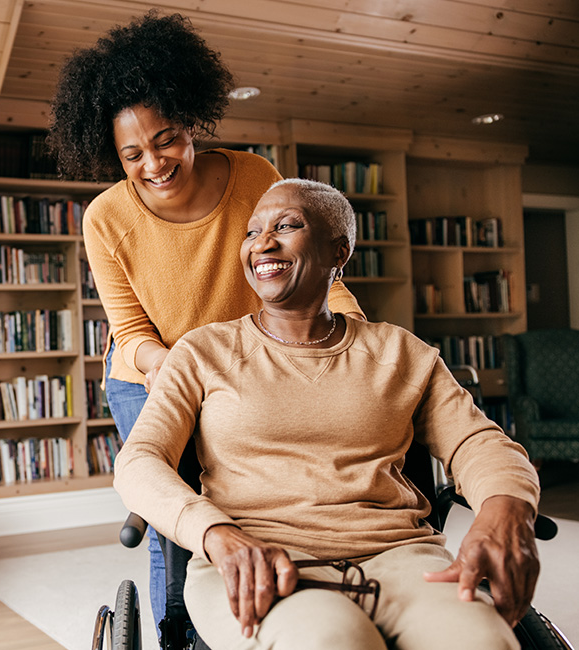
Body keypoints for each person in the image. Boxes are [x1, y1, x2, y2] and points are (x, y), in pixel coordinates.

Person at [113, 178, 541, 650]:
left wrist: (505, 511)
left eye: (286, 225)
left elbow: (480, 443)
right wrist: (216, 534)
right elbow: (140, 461)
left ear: (338, 252)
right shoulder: (203, 352)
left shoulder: (401, 353)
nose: (262, 243)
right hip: (256, 559)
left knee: (482, 640)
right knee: (334, 640)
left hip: (400, 557)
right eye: (252, 232)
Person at [47, 12, 365, 636]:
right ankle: (179, 632)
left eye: (165, 139)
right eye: (131, 153)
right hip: (149, 375)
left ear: (190, 122)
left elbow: (302, 270)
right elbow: (132, 334)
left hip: (249, 363)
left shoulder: (254, 177)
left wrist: (357, 330)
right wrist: (180, 370)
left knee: (256, 488)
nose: (154, 163)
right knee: (179, 508)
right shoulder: (105, 218)